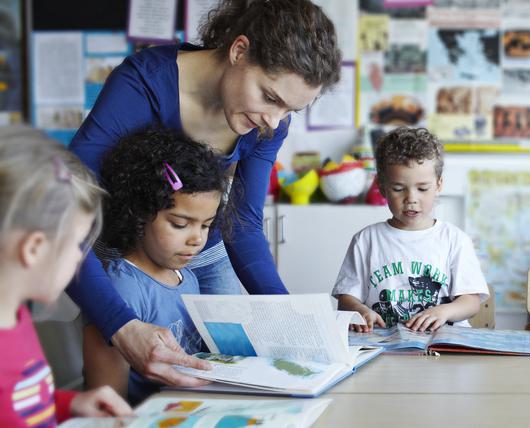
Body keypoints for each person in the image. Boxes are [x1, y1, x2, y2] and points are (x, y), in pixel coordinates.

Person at [66, 0, 343, 387]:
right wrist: (121, 325)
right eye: (270, 97)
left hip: (207, 249)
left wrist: (293, 319)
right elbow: (63, 212)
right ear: (239, 51)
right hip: (127, 249)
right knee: (125, 376)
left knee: (231, 373)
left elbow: (242, 223)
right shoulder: (143, 83)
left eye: (290, 110)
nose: (274, 122)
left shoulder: (270, 123)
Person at [82, 128, 229, 404]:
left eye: (206, 225)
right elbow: (107, 401)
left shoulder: (186, 276)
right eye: (180, 224)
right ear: (139, 213)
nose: (197, 239)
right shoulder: (122, 288)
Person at [0, 126, 132, 425]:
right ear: (33, 248)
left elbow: (21, 405)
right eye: (78, 244)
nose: (80, 257)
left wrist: (68, 403)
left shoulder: (15, 316)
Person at [333, 127, 489, 332]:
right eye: (398, 189)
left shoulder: (454, 239)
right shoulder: (366, 240)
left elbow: (471, 302)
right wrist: (359, 310)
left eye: (422, 188)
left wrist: (444, 312)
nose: (411, 199)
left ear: (438, 185)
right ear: (382, 187)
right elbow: (346, 298)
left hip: (442, 344)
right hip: (383, 344)